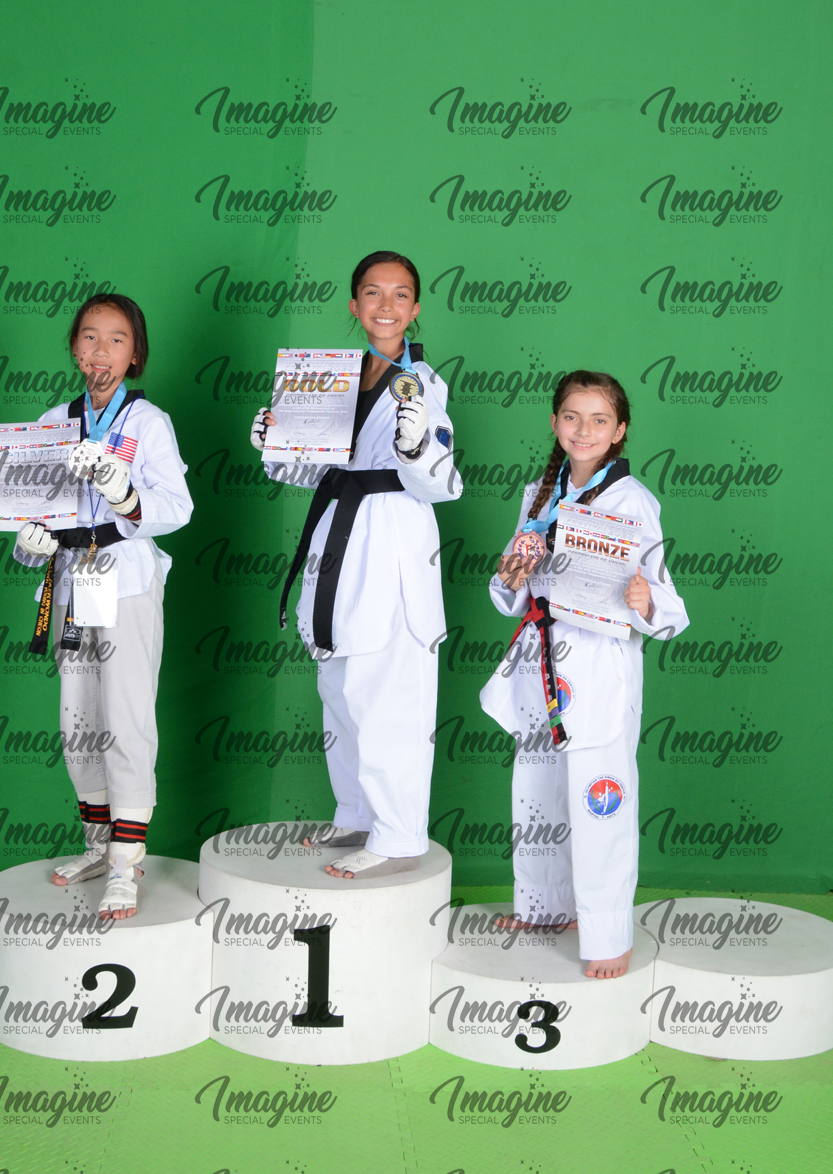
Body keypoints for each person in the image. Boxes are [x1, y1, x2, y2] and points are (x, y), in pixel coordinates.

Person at [251, 251, 462, 878]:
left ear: (415, 309)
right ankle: (358, 812)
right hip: (337, 536)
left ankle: (398, 836)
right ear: (354, 304)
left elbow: (442, 483)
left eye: (400, 295)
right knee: (339, 688)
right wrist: (276, 440)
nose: (386, 305)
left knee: (385, 694)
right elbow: (315, 469)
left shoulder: (422, 384)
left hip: (391, 536)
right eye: (373, 292)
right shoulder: (334, 376)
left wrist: (416, 446)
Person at [480, 371, 688, 977]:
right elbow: (509, 594)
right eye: (572, 416)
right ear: (555, 423)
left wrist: (646, 598)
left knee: (601, 802)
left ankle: (608, 934)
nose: (584, 429)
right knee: (537, 792)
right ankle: (545, 907)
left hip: (598, 666)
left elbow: (668, 605)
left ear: (619, 431)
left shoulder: (633, 501)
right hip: (541, 663)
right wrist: (514, 571)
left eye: (599, 420)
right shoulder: (538, 494)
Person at [12, 294, 193, 918]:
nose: (101, 350)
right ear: (74, 348)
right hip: (70, 581)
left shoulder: (148, 422)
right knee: (79, 720)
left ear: (134, 355)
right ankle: (96, 843)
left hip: (126, 579)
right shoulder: (51, 421)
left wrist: (124, 491)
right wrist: (30, 545)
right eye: (90, 336)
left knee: (125, 716)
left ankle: (126, 861)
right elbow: (30, 517)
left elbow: (178, 507)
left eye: (117, 339)